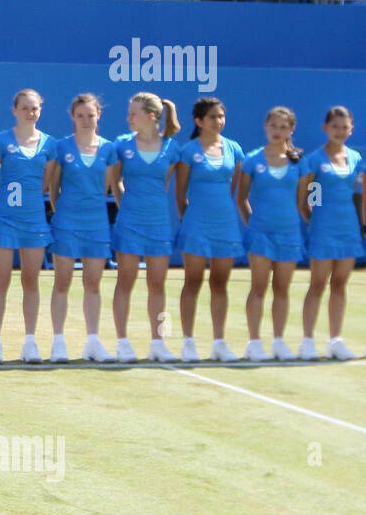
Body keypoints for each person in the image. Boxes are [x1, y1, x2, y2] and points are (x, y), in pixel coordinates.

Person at [0, 88, 56, 363]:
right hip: (4, 222)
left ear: (40, 110)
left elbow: (46, 184)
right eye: (24, 108)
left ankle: (30, 342)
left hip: (34, 221)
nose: (30, 112)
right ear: (14, 111)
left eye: (34, 108)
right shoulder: (1, 141)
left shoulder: (50, 145)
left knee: (31, 281)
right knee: (1, 280)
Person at [108, 92, 183, 363]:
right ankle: (122, 342)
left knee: (158, 285)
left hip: (159, 223)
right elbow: (115, 181)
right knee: (125, 281)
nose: (128, 118)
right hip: (128, 223)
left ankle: (159, 343)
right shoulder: (121, 145)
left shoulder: (172, 148)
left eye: (133, 113)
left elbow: (166, 184)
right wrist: (126, 205)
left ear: (151, 116)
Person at [174, 96, 246, 362]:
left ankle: (219, 343)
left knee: (219, 283)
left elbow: (233, 189)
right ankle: (188, 343)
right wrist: (190, 220)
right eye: (213, 117)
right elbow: (180, 195)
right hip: (196, 225)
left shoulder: (234, 149)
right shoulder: (189, 151)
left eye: (221, 116)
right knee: (192, 282)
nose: (219, 121)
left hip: (225, 224)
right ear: (199, 121)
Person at [45, 93, 116, 363]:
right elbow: (53, 187)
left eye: (91, 115)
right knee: (62, 282)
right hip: (66, 222)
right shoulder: (61, 148)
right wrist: (63, 211)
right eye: (80, 116)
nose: (86, 120)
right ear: (72, 117)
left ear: (99, 115)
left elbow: (109, 186)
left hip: (97, 224)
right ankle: (58, 343)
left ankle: (93, 343)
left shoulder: (109, 149)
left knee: (93, 285)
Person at [237, 106, 304, 362]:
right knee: (258, 288)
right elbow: (241, 198)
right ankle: (254, 343)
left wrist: (315, 214)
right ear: (266, 127)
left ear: (291, 129)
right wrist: (253, 225)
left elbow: (309, 197)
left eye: (283, 126)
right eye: (273, 126)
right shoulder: (253, 160)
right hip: (260, 234)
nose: (278, 131)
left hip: (289, 235)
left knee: (282, 289)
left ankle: (278, 342)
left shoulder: (301, 161)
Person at [297, 106, 363, 361]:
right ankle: (307, 341)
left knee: (340, 285)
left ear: (351, 130)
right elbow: (309, 200)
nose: (340, 131)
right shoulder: (315, 160)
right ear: (325, 128)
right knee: (317, 285)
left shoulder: (356, 158)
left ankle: (335, 341)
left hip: (348, 230)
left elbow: (357, 194)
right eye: (335, 126)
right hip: (323, 230)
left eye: (344, 127)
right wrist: (316, 222)